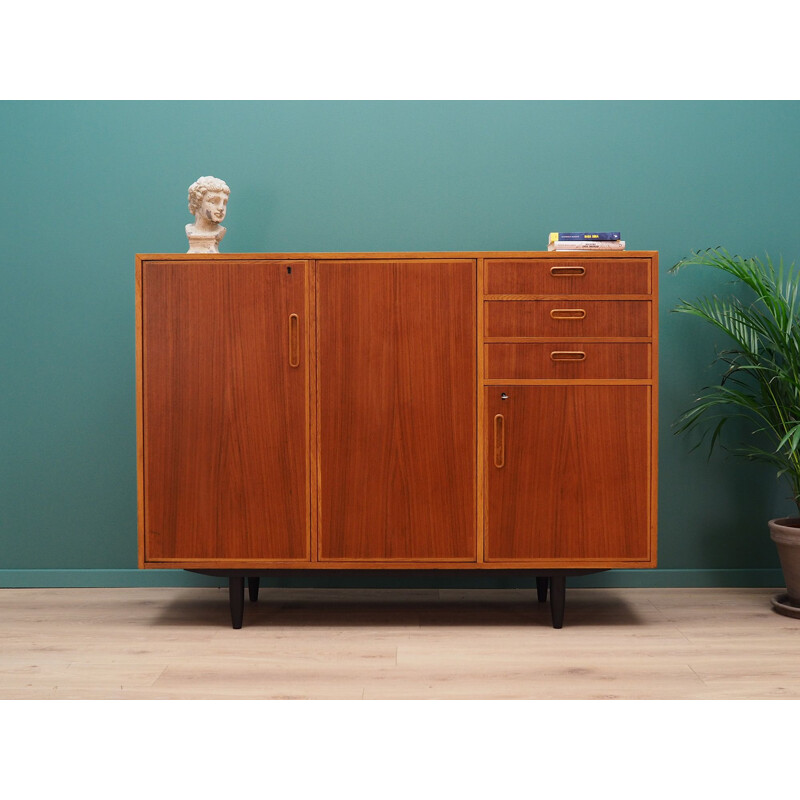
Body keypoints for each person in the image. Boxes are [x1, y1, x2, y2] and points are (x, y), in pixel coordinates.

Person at [186, 176, 230, 253]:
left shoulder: (220, 231)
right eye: (214, 201)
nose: (221, 208)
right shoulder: (190, 230)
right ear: (197, 203)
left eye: (224, 202)